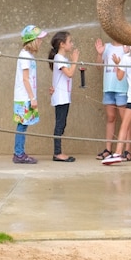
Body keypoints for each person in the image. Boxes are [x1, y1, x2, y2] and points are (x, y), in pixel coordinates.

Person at [12, 25, 46, 164]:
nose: (41, 41)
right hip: (24, 97)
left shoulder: (28, 55)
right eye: (39, 39)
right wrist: (32, 98)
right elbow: (25, 79)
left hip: (26, 96)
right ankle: (18, 154)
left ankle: (19, 152)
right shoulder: (25, 56)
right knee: (22, 125)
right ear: (32, 40)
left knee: (23, 125)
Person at [94, 37, 130, 161]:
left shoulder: (127, 47)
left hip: (122, 88)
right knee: (110, 117)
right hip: (108, 88)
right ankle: (108, 149)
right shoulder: (107, 47)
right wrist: (99, 54)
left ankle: (127, 150)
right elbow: (99, 66)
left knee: (126, 119)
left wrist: (127, 53)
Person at [48, 31, 79, 162]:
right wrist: (75, 61)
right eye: (70, 41)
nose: (71, 44)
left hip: (64, 96)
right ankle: (57, 153)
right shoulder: (59, 59)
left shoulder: (63, 59)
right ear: (62, 44)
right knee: (60, 124)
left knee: (62, 123)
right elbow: (70, 74)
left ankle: (59, 152)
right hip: (60, 97)